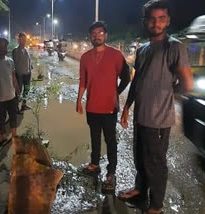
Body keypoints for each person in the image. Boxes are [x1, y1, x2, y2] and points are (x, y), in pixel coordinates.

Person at [119, 1, 193, 213]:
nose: (156, 23)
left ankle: (156, 205)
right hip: (140, 116)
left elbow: (187, 84)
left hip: (158, 120)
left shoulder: (174, 47)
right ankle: (140, 190)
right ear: (145, 21)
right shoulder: (142, 49)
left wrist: (168, 95)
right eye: (152, 18)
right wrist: (126, 108)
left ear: (168, 21)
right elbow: (137, 81)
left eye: (161, 18)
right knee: (140, 158)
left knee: (156, 164)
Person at [76, 21, 130, 192]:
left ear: (105, 35)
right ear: (90, 36)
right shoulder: (85, 57)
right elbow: (83, 81)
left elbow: (126, 77)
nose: (97, 36)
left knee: (110, 140)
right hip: (92, 106)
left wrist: (116, 92)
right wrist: (78, 100)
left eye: (100, 33)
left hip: (109, 107)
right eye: (93, 33)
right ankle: (94, 164)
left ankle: (111, 173)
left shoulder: (116, 55)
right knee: (94, 137)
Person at [12, 32, 33, 113]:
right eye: (22, 39)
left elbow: (28, 60)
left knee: (26, 90)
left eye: (25, 39)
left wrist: (31, 66)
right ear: (19, 40)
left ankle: (24, 105)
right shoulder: (15, 50)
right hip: (19, 74)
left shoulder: (26, 49)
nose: (24, 41)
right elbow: (14, 63)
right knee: (18, 91)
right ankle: (16, 107)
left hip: (27, 74)